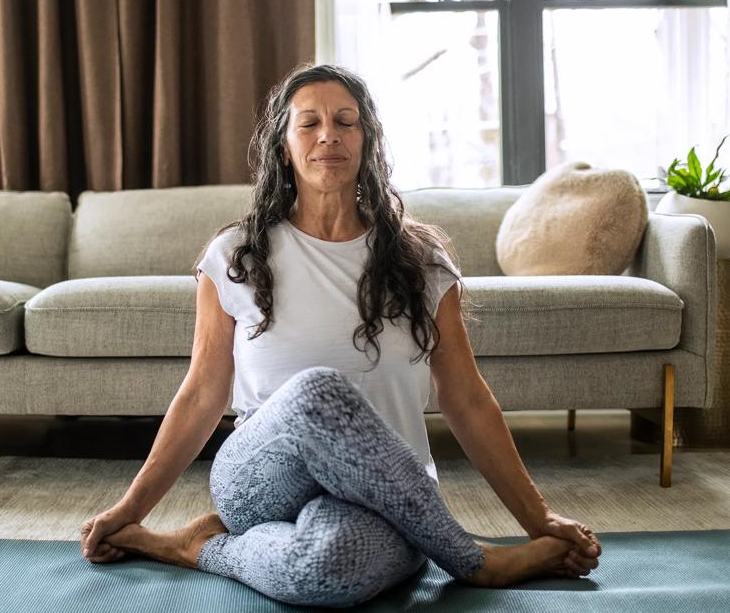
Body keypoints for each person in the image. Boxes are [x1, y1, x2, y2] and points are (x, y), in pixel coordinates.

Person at [79, 63, 602, 608]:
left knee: (327, 570)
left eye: (346, 121)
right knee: (317, 392)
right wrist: (130, 508)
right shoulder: (236, 255)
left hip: (386, 495)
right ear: (283, 146)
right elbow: (202, 393)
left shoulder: (421, 261)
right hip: (261, 480)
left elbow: (467, 398)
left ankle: (196, 546)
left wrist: (539, 518)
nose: (328, 134)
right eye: (309, 123)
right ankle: (474, 559)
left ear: (367, 141)